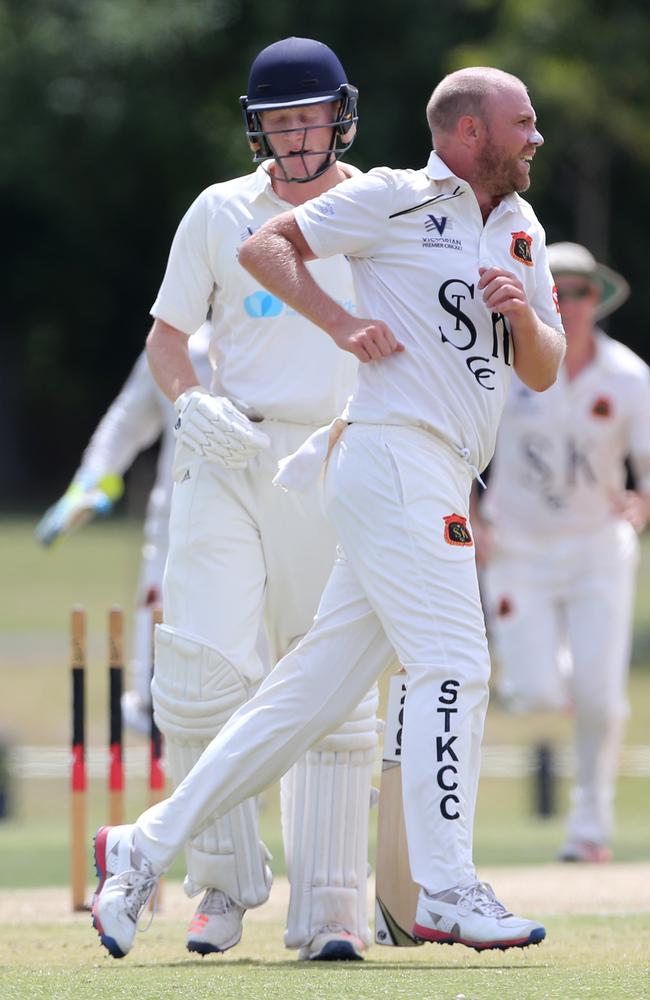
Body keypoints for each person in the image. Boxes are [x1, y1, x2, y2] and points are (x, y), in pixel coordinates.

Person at [91, 65, 566, 960]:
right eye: (524, 123)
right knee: (455, 663)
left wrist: (520, 317)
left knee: (303, 698)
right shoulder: (396, 196)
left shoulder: (521, 228)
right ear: (470, 134)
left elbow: (542, 365)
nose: (537, 137)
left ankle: (140, 845)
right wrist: (340, 327)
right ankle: (447, 888)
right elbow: (267, 247)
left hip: (442, 467)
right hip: (393, 454)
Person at [112, 37, 388, 962]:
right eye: (280, 120)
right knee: (195, 680)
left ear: (340, 116)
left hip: (339, 455)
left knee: (335, 690)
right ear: (256, 126)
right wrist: (192, 406)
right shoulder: (219, 210)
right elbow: (167, 338)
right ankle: (223, 890)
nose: (297, 134)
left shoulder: (378, 204)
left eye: (311, 117)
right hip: (229, 453)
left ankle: (332, 909)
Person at [474, 241, 650, 863]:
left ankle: (590, 829)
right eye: (559, 291)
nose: (569, 304)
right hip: (518, 547)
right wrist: (472, 518)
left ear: (595, 300)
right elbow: (463, 445)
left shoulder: (628, 376)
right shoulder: (501, 362)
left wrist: (642, 503)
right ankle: (569, 670)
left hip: (597, 547)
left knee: (603, 698)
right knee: (535, 691)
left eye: (580, 293)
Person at [35, 324, 212, 733]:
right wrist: (88, 483)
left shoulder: (276, 341)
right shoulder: (178, 345)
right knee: (153, 697)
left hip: (262, 529)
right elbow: (125, 423)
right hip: (175, 525)